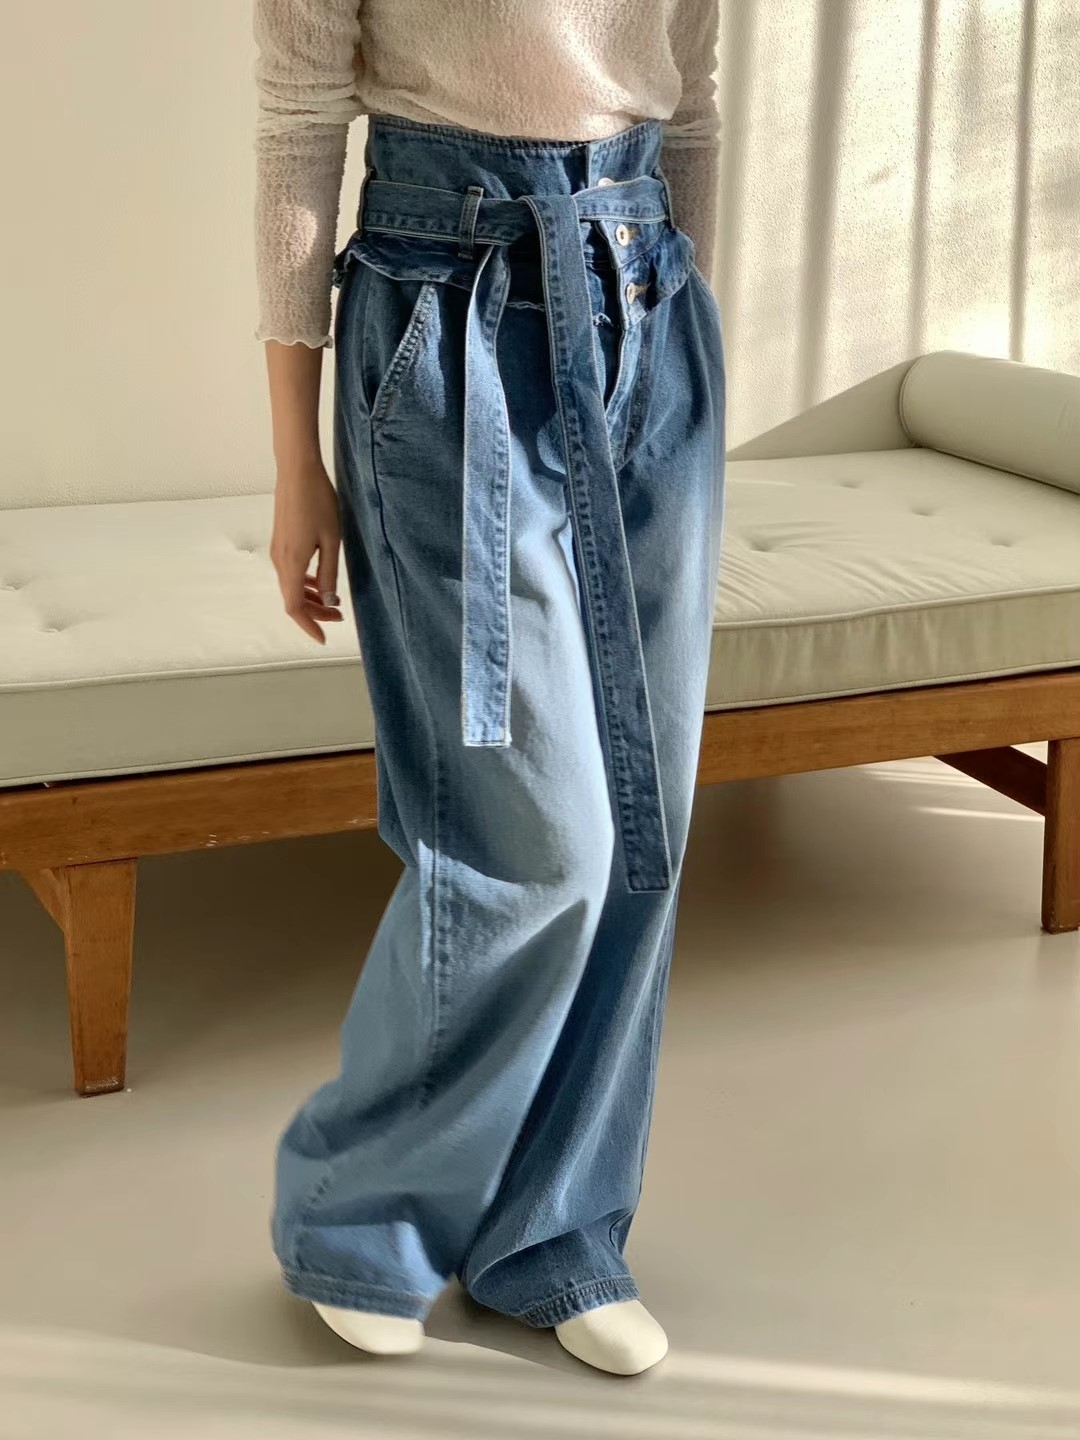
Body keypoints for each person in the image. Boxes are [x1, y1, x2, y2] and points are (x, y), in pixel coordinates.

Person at [253, 0, 725, 1377]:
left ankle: (556, 1231)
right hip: (444, 315)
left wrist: (682, 348)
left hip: (648, 303)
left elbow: (688, 99)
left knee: (643, 825)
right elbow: (297, 125)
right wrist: (294, 463)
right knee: (537, 836)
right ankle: (362, 1213)